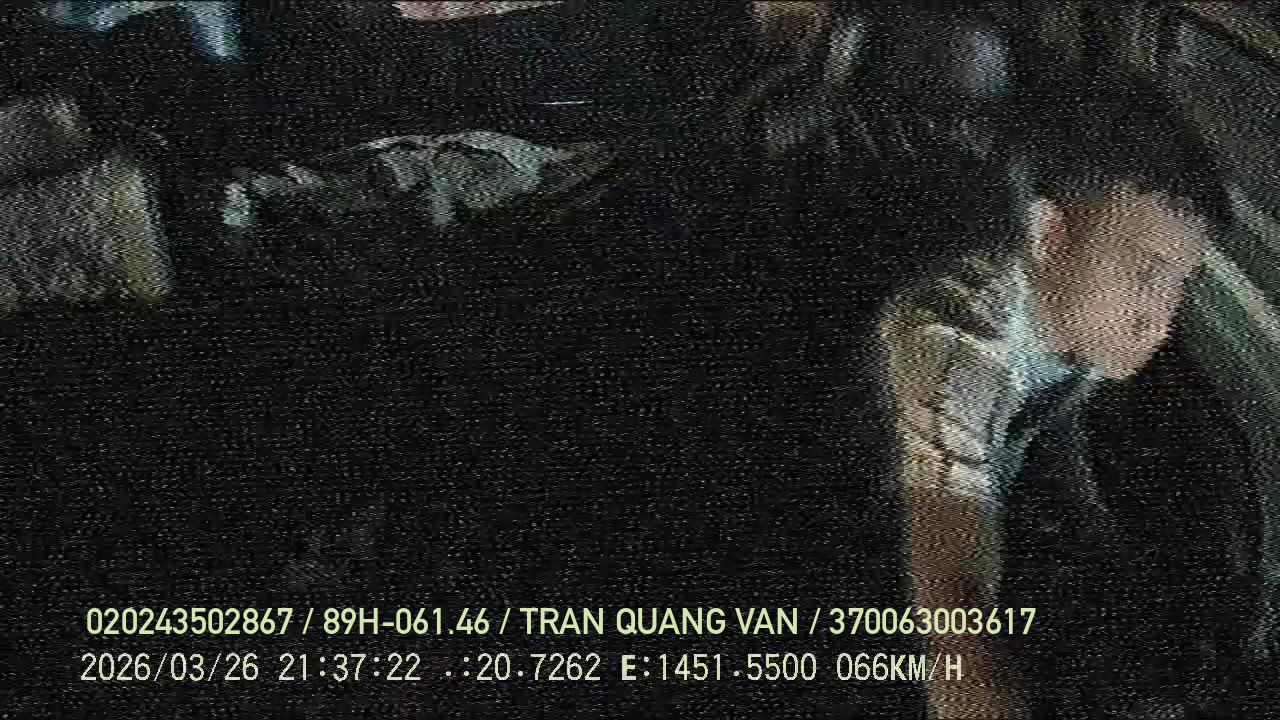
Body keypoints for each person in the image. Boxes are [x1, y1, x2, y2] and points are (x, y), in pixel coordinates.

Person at [877, 65, 1233, 719]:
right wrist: (975, 677)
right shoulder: (957, 344)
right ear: (1048, 236)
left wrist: (1088, 520)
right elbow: (947, 564)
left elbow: (1049, 418)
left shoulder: (1083, 322)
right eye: (1146, 275)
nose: (1161, 321)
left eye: (1180, 284)